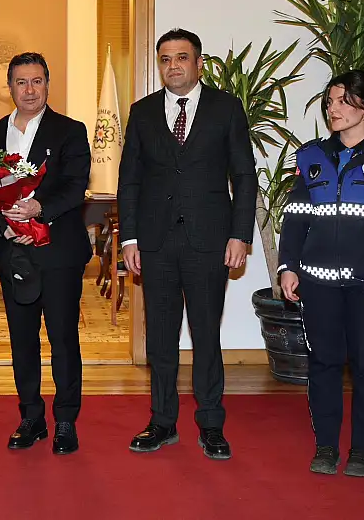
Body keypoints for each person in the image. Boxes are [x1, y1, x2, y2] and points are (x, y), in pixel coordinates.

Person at [118, 28, 258, 459]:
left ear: (199, 63)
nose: (173, 66)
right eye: (165, 59)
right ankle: (162, 422)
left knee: (206, 335)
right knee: (160, 338)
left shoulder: (226, 108)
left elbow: (244, 176)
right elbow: (130, 179)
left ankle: (211, 423)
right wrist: (129, 237)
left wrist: (240, 235)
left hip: (209, 241)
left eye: (181, 57)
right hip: (155, 242)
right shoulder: (142, 112)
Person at [278, 71, 364, 477]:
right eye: (330, 101)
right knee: (322, 364)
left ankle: (363, 449)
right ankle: (325, 446)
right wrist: (288, 266)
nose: (333, 109)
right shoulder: (311, 156)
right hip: (317, 285)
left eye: (343, 101)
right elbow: (296, 217)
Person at [0, 52, 92, 455]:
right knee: (22, 340)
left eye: (37, 81)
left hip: (58, 252)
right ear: (9, 87)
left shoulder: (70, 131)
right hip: (14, 251)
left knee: (63, 339)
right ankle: (31, 417)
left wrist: (37, 211)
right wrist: (8, 226)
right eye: (21, 82)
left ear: (47, 84)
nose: (29, 90)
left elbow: (75, 187)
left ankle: (65, 420)